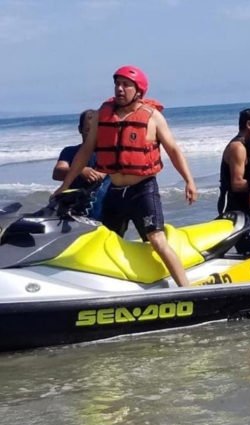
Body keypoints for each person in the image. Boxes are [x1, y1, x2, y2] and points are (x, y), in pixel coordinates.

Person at [53, 65, 197, 287]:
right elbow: (84, 152)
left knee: (157, 240)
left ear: (138, 90)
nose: (119, 89)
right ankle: (105, 287)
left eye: (125, 85)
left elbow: (174, 151)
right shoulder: (103, 115)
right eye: (117, 84)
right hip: (115, 192)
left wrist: (189, 180)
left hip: (143, 190)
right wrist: (66, 185)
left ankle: (186, 289)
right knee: (102, 240)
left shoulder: (153, 117)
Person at [218, 108, 250, 256]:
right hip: (232, 207)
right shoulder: (237, 148)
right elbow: (237, 184)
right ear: (248, 124)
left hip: (245, 207)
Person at [52, 109, 110, 220]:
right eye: (88, 130)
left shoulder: (108, 152)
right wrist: (80, 171)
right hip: (74, 204)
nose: (92, 134)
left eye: (96, 130)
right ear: (80, 130)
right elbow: (57, 172)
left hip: (101, 204)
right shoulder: (70, 151)